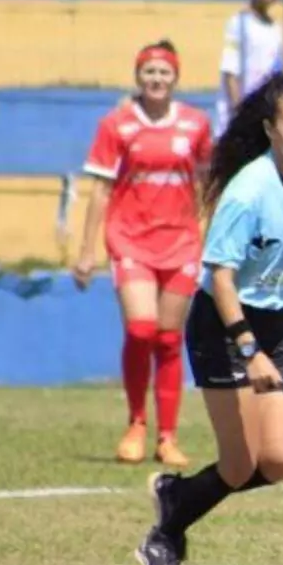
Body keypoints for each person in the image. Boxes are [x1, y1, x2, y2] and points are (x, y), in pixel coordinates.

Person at [134, 73, 283, 565]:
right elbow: (221, 278)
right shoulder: (247, 191)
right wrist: (247, 348)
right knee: (237, 464)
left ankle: (177, 492)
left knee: (278, 461)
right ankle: (163, 536)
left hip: (275, 323)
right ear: (270, 129)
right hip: (223, 325)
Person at [75, 40, 214, 469]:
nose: (156, 79)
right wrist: (85, 250)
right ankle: (136, 424)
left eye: (164, 72)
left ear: (176, 77)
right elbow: (100, 188)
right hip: (130, 238)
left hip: (180, 241)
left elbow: (207, 183)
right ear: (138, 77)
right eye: (149, 72)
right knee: (140, 331)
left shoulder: (196, 124)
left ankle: (167, 437)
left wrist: (206, 232)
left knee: (170, 339)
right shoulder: (116, 124)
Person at [214, 0, 283, 138]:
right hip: (239, 118)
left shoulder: (276, 29)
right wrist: (239, 112)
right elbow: (230, 71)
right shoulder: (239, 24)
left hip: (265, 116)